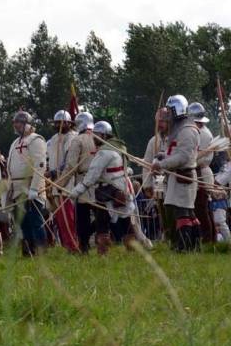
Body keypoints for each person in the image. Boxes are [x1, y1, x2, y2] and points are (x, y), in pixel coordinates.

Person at [67, 122, 135, 255]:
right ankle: (132, 251)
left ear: (103, 135)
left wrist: (77, 191)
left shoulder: (104, 152)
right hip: (121, 189)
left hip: (107, 191)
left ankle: (103, 253)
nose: (94, 138)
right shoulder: (119, 147)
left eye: (96, 135)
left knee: (102, 224)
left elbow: (92, 175)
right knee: (125, 220)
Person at [151, 95, 201, 252]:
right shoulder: (179, 129)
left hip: (183, 176)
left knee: (183, 213)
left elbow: (183, 157)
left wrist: (162, 164)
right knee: (184, 211)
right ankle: (192, 246)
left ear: (177, 110)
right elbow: (175, 153)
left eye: (170, 111)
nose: (168, 115)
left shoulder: (187, 131)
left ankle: (185, 246)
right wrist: (162, 157)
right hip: (176, 176)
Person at [6, 111, 48, 256]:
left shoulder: (36, 140)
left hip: (31, 187)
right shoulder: (15, 142)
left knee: (35, 222)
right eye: (15, 122)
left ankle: (40, 252)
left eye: (19, 122)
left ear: (27, 124)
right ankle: (28, 252)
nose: (16, 125)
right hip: (17, 189)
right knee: (22, 223)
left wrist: (34, 188)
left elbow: (40, 165)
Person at [65, 111, 97, 253]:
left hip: (83, 182)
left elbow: (71, 166)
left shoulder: (78, 140)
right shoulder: (101, 137)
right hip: (101, 182)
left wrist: (60, 185)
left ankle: (84, 245)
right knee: (102, 215)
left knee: (83, 218)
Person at [47, 110, 79, 253]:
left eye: (62, 122)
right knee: (60, 217)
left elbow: (68, 161)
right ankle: (67, 245)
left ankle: (73, 244)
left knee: (68, 216)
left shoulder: (73, 137)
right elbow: (49, 158)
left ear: (68, 123)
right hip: (55, 181)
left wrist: (53, 173)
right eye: (57, 123)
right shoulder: (54, 139)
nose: (59, 125)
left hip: (67, 180)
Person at [189, 102, 216, 243]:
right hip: (199, 172)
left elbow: (197, 157)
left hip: (202, 173)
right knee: (202, 209)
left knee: (202, 209)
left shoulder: (203, 133)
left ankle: (208, 240)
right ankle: (209, 239)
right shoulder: (198, 131)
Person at [141, 108, 169, 241]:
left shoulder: (175, 137)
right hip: (158, 180)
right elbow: (147, 163)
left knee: (175, 208)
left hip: (173, 178)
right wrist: (147, 185)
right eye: (158, 121)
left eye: (163, 121)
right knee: (161, 209)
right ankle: (166, 234)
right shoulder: (154, 141)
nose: (160, 124)